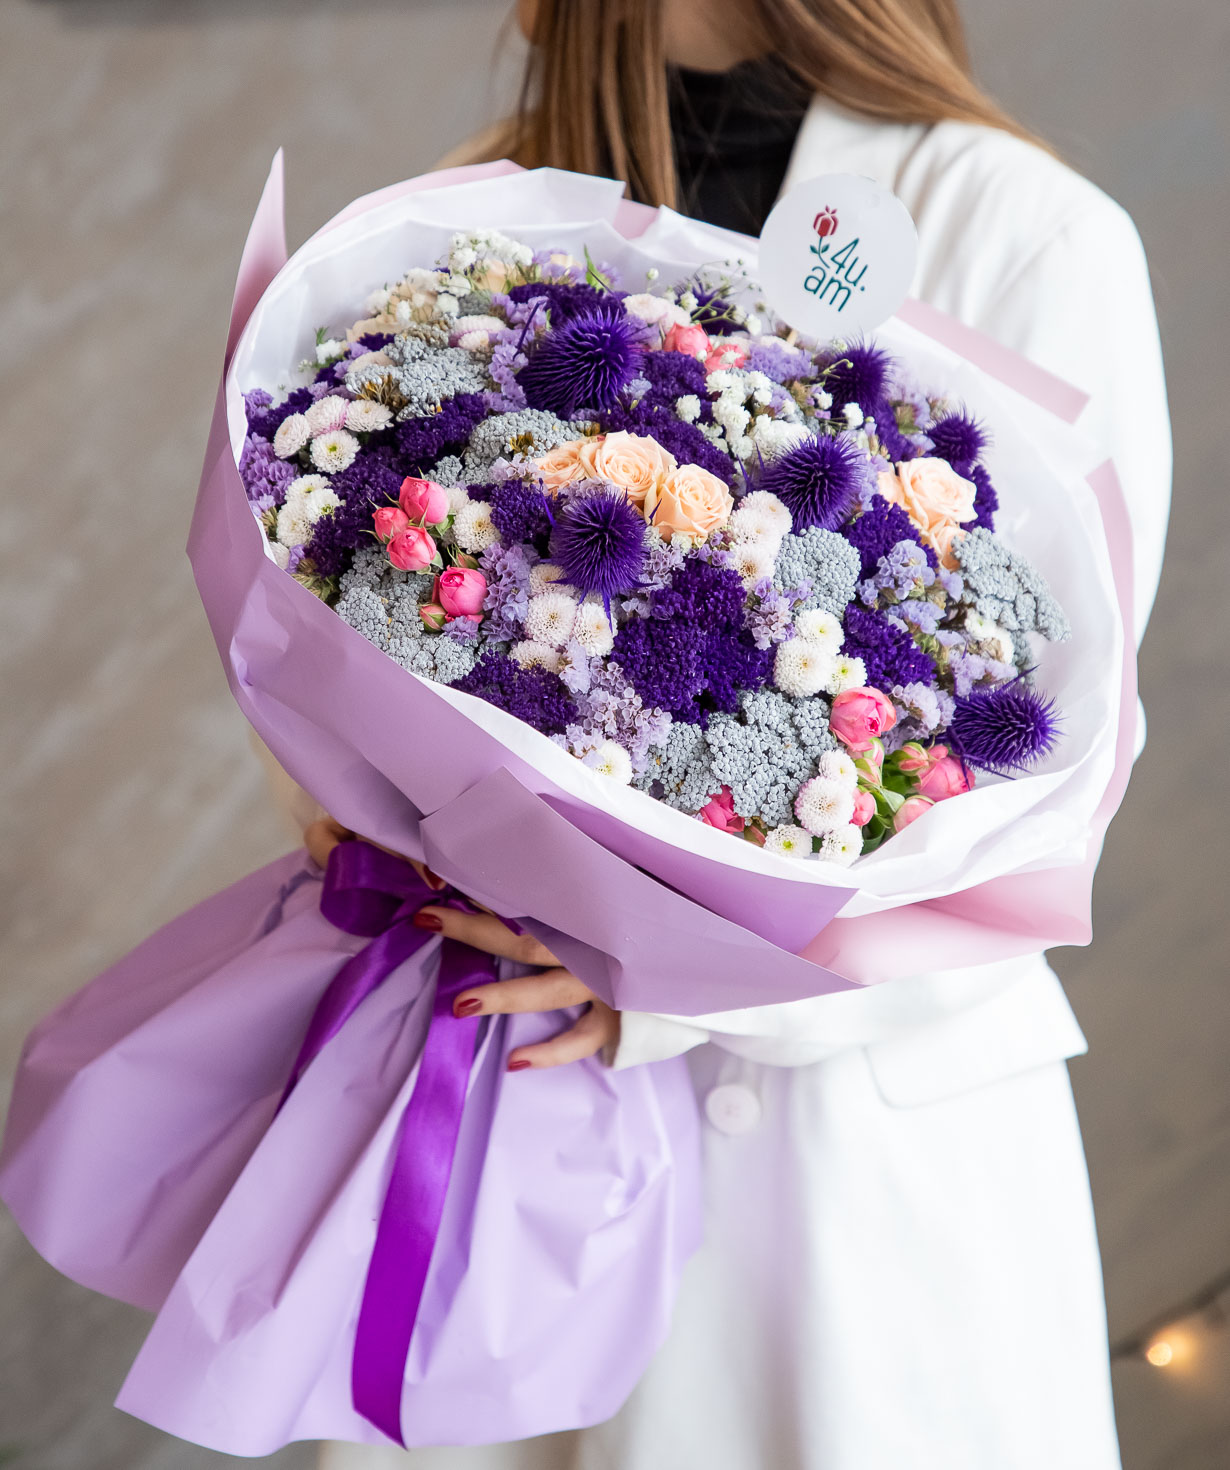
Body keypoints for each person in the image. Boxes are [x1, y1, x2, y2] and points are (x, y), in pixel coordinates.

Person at [308, 1, 1172, 1466]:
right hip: (517, 1102)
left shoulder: (1022, 229)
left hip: (856, 1146)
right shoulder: (470, 211)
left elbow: (1040, 775)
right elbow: (336, 598)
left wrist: (662, 973)